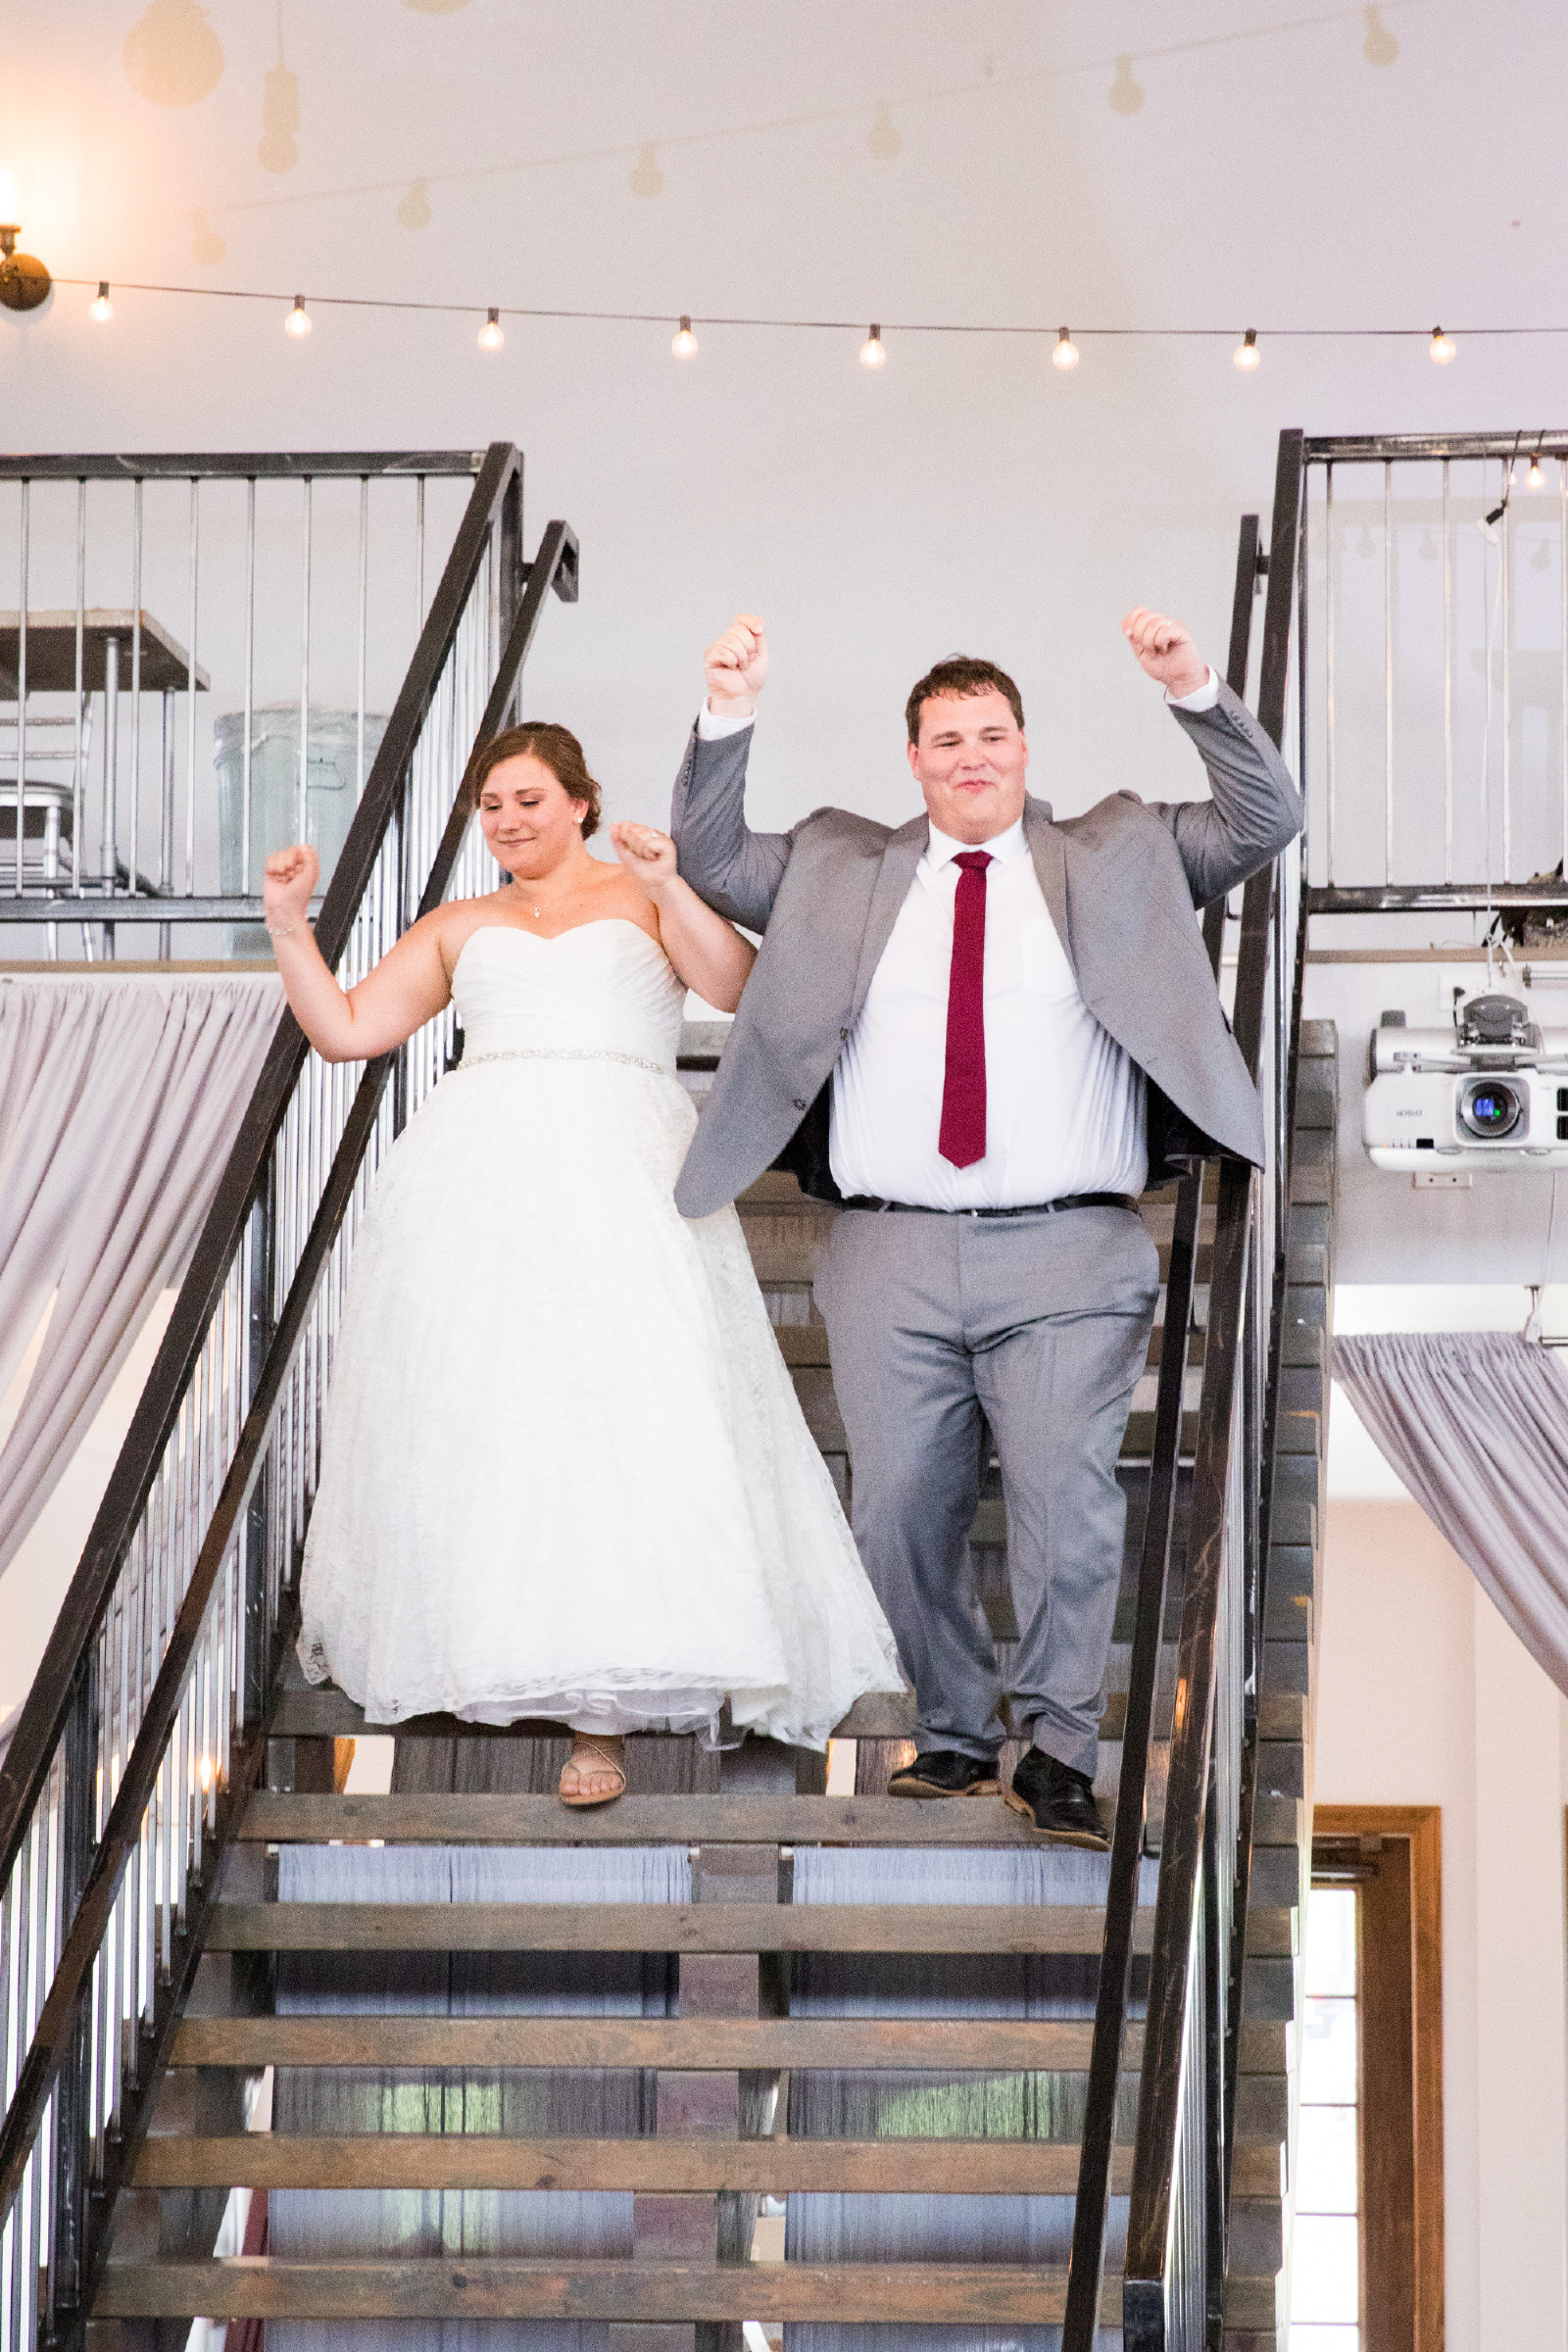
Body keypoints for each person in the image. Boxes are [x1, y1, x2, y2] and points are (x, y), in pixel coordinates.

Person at [669, 612, 1303, 1846]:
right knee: (896, 1507)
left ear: (1024, 745)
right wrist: (728, 706)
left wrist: (1192, 687)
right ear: (913, 758)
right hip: (887, 1251)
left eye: (992, 734)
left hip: (1069, 1249)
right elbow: (707, 851)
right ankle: (955, 1732)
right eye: (947, 739)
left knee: (1066, 1503)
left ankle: (1057, 1749)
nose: (972, 756)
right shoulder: (835, 860)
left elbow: (1264, 819)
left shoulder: (1120, 848)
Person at [262, 720, 903, 1808]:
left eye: (528, 800)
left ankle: (607, 1717)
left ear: (579, 801)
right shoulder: (459, 924)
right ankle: (515, 1663)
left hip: (624, 1165)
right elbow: (349, 1029)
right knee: (500, 1411)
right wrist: (289, 925)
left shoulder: (638, 895)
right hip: (478, 1179)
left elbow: (739, 986)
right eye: (492, 807)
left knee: (630, 1401)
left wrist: (669, 884)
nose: (509, 822)